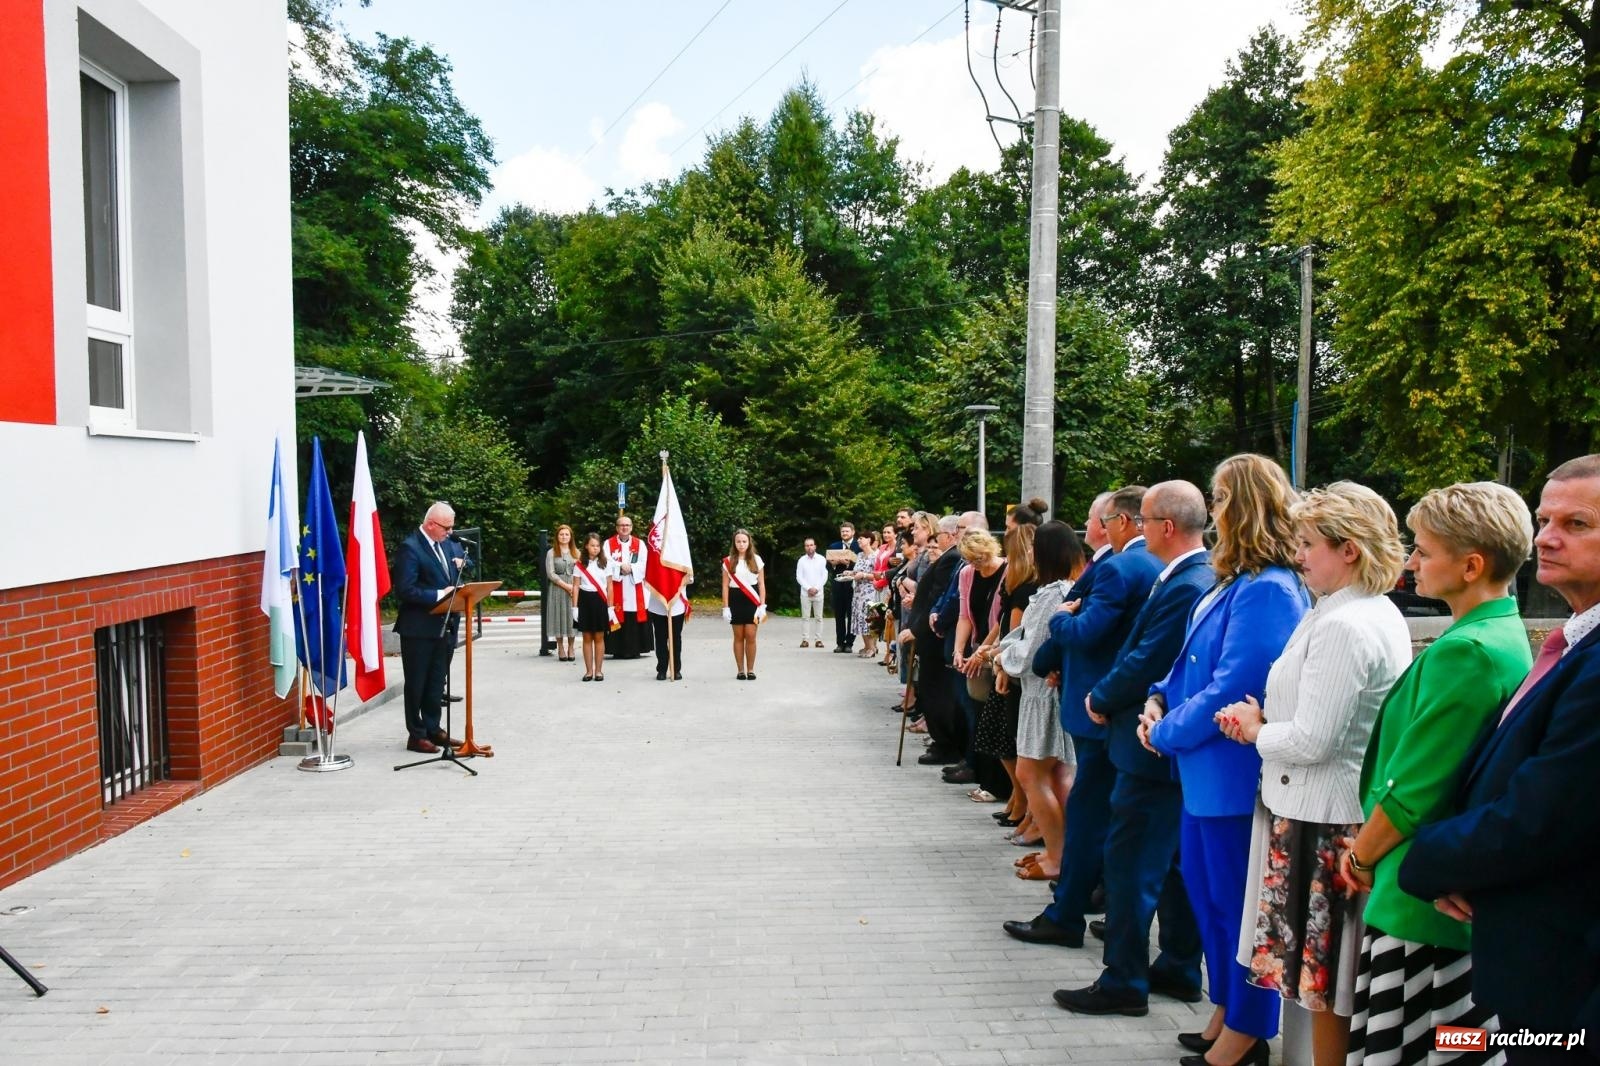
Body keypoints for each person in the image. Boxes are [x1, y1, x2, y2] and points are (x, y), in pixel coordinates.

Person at [1400, 456, 1600, 1066]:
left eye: (1578, 522)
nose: (1546, 536)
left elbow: (1539, 815)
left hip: (1569, 977)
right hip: (1533, 950)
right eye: (1544, 519)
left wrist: (1424, 861)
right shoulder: (1573, 642)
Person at [1336, 482, 1534, 1065]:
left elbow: (1413, 791)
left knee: (1410, 1046)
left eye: (1422, 550)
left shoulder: (1467, 651)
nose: (1410, 562)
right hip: (1430, 881)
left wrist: (1360, 857)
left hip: (1416, 897)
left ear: (1471, 565)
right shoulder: (1493, 633)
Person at [1215, 482, 1411, 1066]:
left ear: (1349, 549)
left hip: (1321, 819)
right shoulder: (1347, 610)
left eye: (1307, 543)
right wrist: (1270, 719)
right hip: (1317, 809)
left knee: (1324, 985)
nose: (1298, 555)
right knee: (1315, 982)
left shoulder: (1347, 623)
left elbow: (1315, 740)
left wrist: (1255, 729)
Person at [1140, 455, 1310, 1066]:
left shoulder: (1268, 587)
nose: (1211, 509)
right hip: (1204, 769)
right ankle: (1226, 1008)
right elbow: (1190, 664)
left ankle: (1250, 1030)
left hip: (1233, 773)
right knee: (1211, 897)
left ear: (1244, 504)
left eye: (1218, 497)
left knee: (1239, 908)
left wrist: (1166, 733)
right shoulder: (1235, 580)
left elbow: (1238, 683)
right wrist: (1157, 697)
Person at [1046, 481, 1215, 1019]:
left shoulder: (1188, 582)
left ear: (1165, 527)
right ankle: (1179, 967)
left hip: (1147, 745)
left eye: (1141, 519)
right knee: (1168, 864)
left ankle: (1124, 978)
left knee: (1129, 863)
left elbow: (1147, 656)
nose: (1135, 527)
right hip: (1155, 740)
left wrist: (1102, 694)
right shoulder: (1186, 575)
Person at [1008, 487, 1154, 948]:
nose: (1099, 528)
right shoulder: (1147, 566)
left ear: (1126, 522)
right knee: (1105, 809)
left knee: (1092, 811)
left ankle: (1070, 906)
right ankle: (1089, 896)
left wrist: (1059, 629)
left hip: (1099, 703)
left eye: (1105, 519)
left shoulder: (1118, 566)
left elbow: (1089, 630)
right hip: (1107, 701)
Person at [1004, 520, 1083, 880]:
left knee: (1032, 773)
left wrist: (1001, 655)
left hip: (1041, 693)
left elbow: (1031, 651)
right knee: (1055, 773)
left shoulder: (1054, 593)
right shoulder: (1062, 589)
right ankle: (1063, 854)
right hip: (1046, 691)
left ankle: (1057, 856)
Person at [392, 502, 468, 753]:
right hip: (418, 628)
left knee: (437, 681)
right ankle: (416, 734)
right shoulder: (410, 548)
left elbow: (449, 577)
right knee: (417, 682)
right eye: (446, 527)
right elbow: (405, 589)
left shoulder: (444, 545)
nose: (450, 532)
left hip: (444, 626)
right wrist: (439, 594)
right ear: (431, 524)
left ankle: (434, 728)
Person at [603, 514, 653, 660]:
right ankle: (617, 649)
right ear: (617, 528)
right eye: (621, 525)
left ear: (631, 528)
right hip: (616, 584)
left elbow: (645, 563)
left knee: (633, 615)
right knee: (618, 613)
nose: (624, 528)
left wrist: (631, 568)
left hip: (634, 586)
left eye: (627, 525)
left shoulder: (640, 544)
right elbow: (606, 560)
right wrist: (620, 567)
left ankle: (636, 649)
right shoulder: (608, 543)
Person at [722, 528, 768, 680]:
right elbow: (725, 586)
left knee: (751, 635)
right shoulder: (728, 561)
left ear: (749, 543)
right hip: (735, 599)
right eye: (738, 541)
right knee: (738, 636)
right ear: (734, 543)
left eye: (744, 541)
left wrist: (762, 605)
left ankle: (751, 669)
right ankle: (740, 670)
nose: (741, 544)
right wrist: (726, 607)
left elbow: (761, 584)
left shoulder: (757, 560)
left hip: (752, 600)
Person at [573, 532, 613, 682]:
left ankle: (599, 671)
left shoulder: (605, 562)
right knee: (587, 637)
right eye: (592, 545)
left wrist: (610, 607)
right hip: (585, 600)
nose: (595, 548)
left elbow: (610, 586)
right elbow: (576, 586)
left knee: (599, 636)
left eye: (597, 546)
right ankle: (589, 671)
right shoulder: (579, 564)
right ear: (586, 546)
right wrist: (574, 607)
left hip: (600, 600)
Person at [543, 524, 579, 662]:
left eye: (567, 534)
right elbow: (550, 573)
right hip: (558, 587)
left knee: (571, 617)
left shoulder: (576, 552)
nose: (564, 537)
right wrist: (566, 586)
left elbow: (582, 571)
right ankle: (560, 647)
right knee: (558, 616)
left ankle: (571, 646)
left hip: (574, 587)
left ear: (571, 537)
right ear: (557, 537)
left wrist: (575, 587)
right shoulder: (551, 553)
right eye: (561, 534)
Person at [647, 575, 691, 681]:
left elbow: (688, 575)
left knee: (675, 638)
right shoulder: (653, 556)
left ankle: (676, 669)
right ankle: (662, 669)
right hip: (658, 600)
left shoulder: (681, 556)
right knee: (660, 637)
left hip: (677, 602)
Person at [827, 521, 860, 652]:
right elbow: (828, 566)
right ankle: (840, 643)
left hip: (853, 583)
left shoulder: (858, 546)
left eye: (847, 531)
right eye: (842, 531)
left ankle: (849, 643)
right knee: (839, 613)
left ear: (853, 532)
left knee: (852, 613)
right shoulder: (834, 546)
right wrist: (835, 563)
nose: (845, 533)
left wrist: (850, 563)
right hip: (838, 583)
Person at [850, 529, 881, 658]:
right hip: (858, 592)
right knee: (860, 619)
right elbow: (856, 570)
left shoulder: (875, 557)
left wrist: (863, 575)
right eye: (858, 539)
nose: (859, 540)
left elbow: (878, 576)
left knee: (868, 619)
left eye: (861, 538)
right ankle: (867, 646)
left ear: (869, 540)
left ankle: (872, 648)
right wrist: (850, 573)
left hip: (870, 592)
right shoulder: (860, 555)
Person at [795, 538, 828, 648]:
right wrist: (808, 588)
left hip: (818, 592)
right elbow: (799, 577)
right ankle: (805, 639)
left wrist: (816, 588)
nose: (809, 547)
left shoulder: (821, 559)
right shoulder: (801, 560)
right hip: (805, 593)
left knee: (819, 617)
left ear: (815, 546)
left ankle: (818, 640)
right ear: (805, 547)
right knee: (805, 617)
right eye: (807, 545)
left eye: (811, 545)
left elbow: (824, 575)